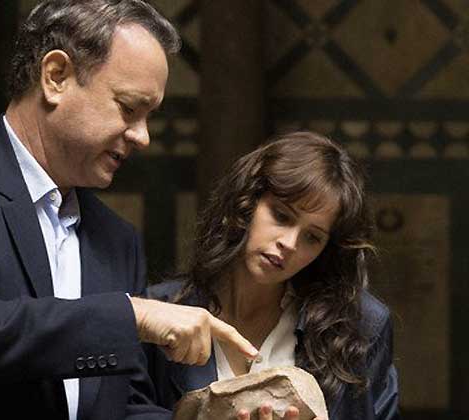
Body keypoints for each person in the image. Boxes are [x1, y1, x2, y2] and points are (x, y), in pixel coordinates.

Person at [0, 1, 257, 419]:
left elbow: (123, 406)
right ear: (56, 76)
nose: (143, 137)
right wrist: (133, 314)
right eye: (128, 108)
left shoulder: (117, 240)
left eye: (149, 117)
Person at [146, 132, 400, 420]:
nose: (289, 244)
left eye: (312, 237)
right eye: (281, 216)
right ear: (247, 203)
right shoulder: (160, 312)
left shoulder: (360, 327)